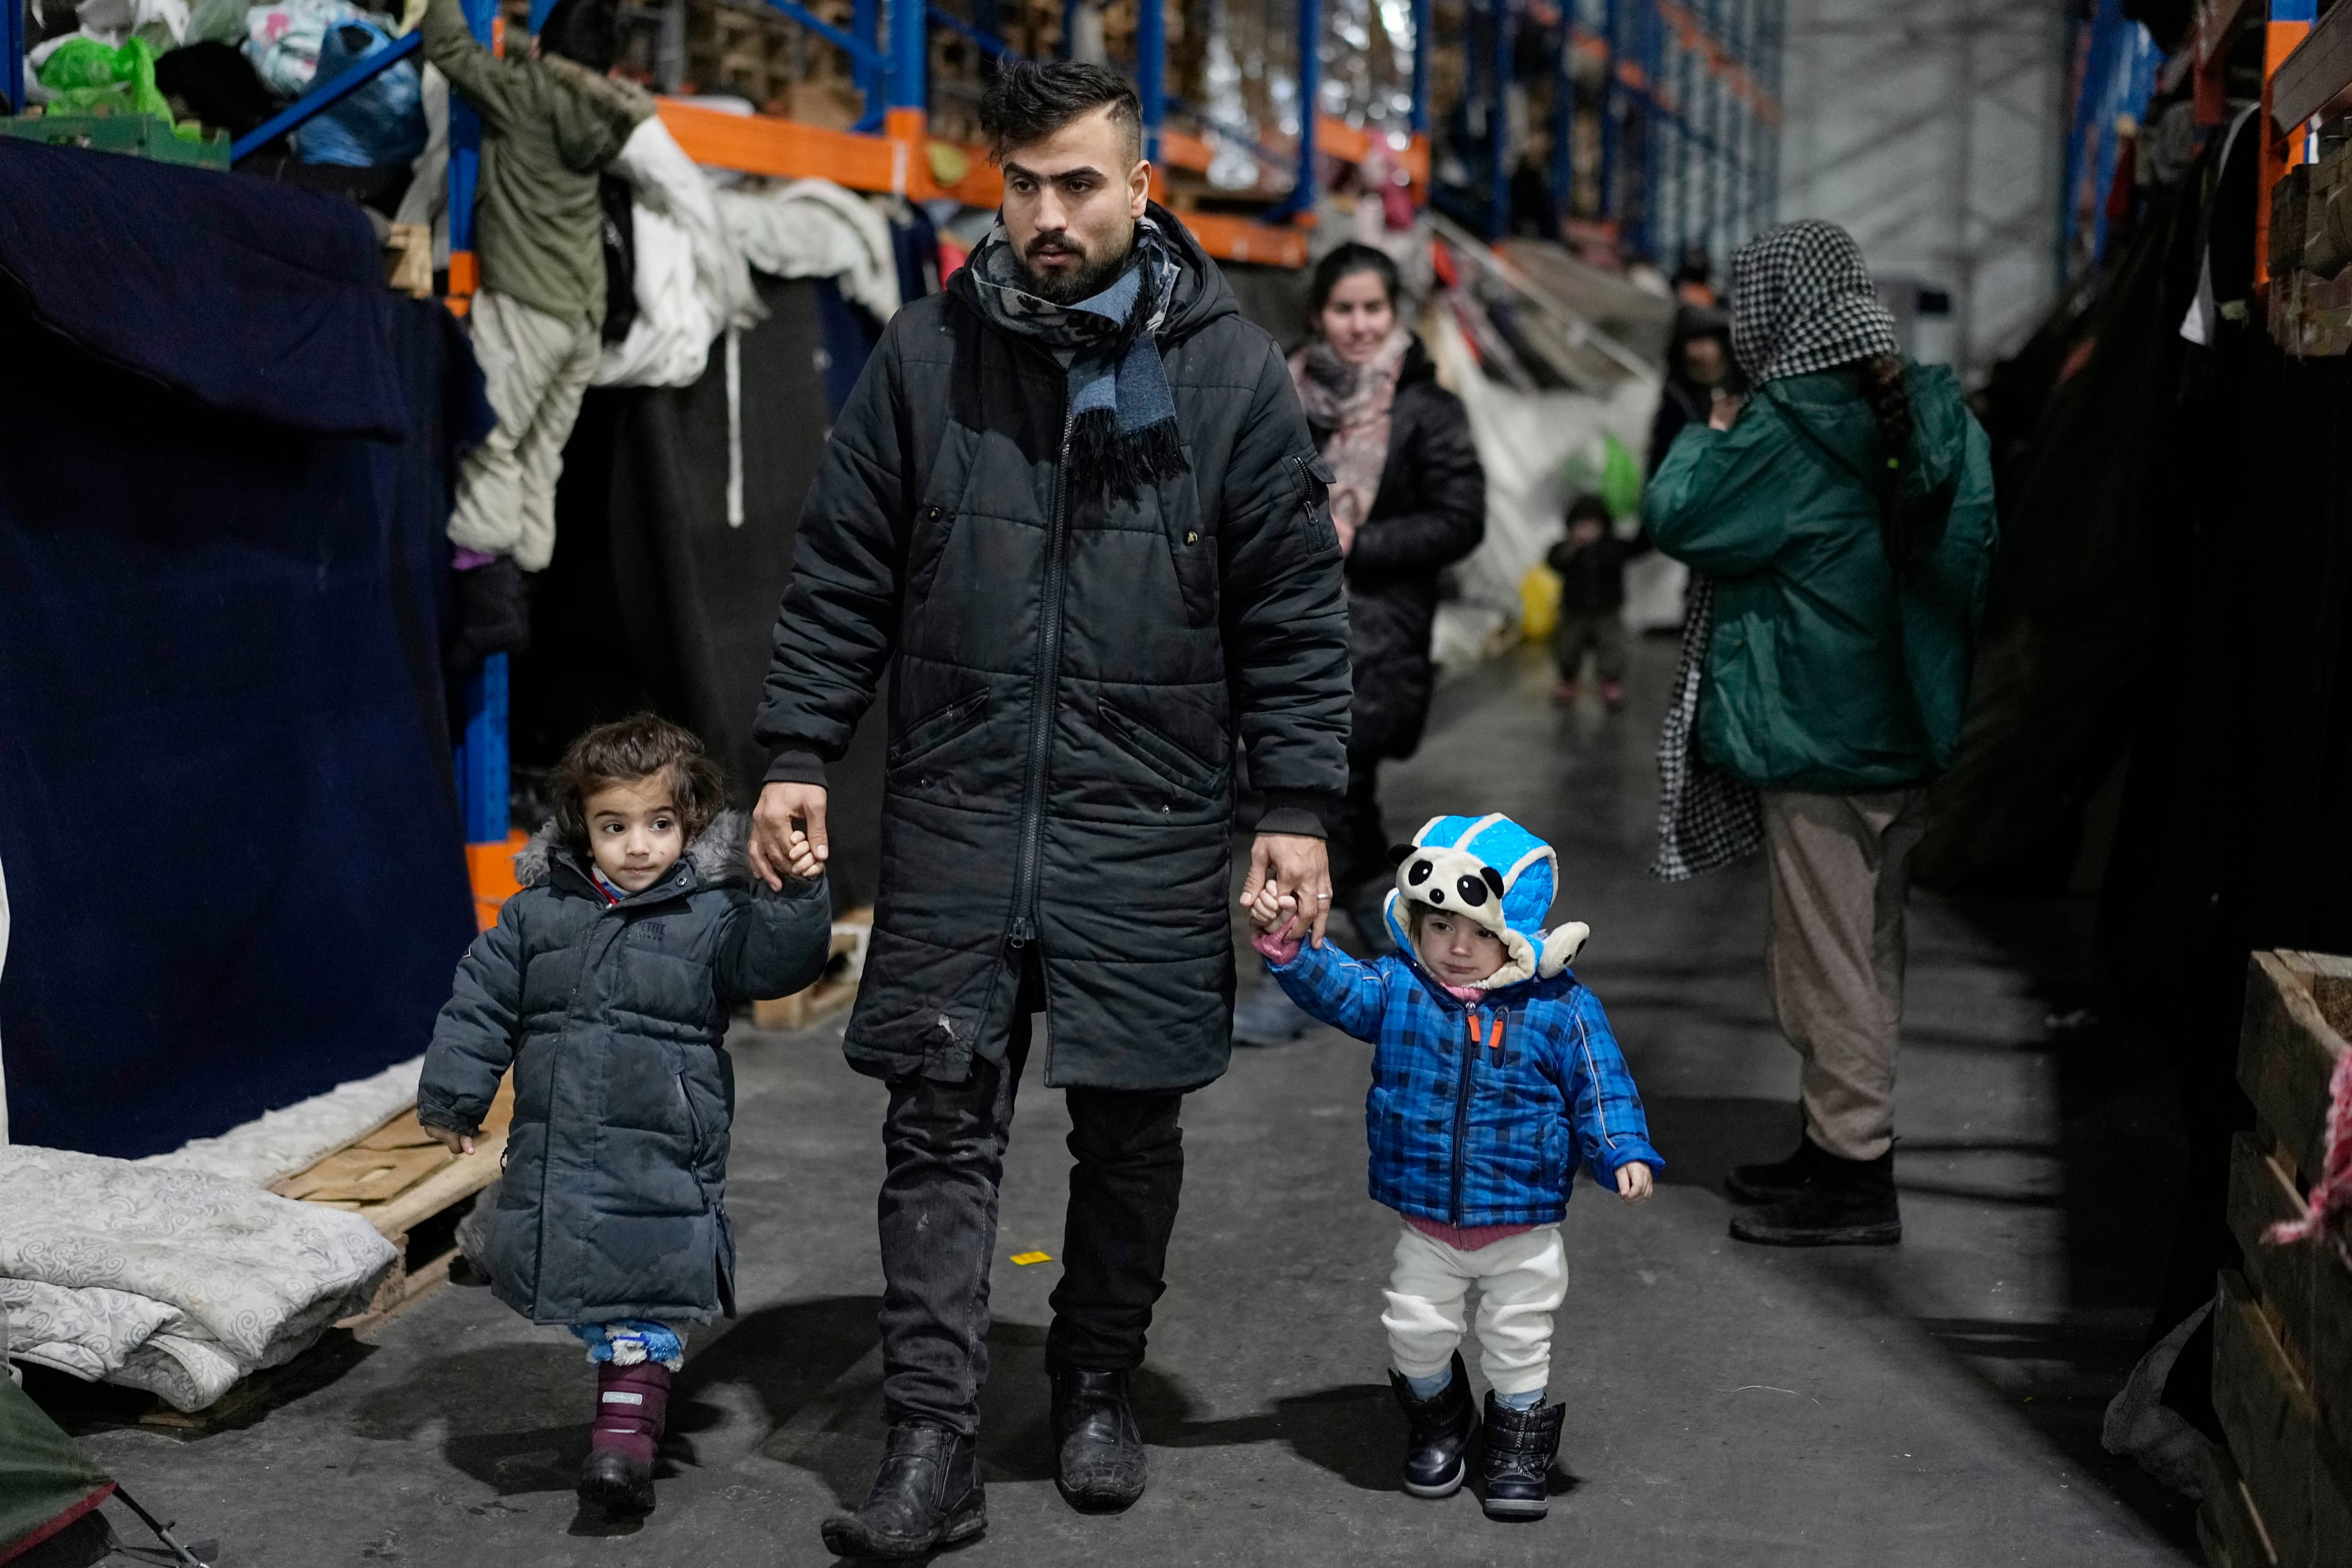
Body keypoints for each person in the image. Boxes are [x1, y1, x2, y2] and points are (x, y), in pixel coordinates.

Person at [745, 61, 1351, 1558]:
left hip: (1144, 814)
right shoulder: (925, 358)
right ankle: (930, 1440)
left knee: (1130, 1126)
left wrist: (1293, 803)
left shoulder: (1226, 376)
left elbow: (1289, 611)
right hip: (957, 810)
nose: (1047, 214)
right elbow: (838, 575)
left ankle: (1093, 1380)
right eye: (1021, 184)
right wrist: (795, 750)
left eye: (1078, 181)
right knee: (937, 1124)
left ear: (1143, 190)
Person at [1646, 219, 1996, 1248]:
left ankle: (1853, 1176)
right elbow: (1974, 557)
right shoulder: (1940, 414)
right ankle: (1839, 1141)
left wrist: (1714, 423)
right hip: (1906, 734)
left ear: (1773, 311)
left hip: (1815, 736)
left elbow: (1681, 517)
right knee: (1869, 948)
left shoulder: (1784, 424)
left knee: (1825, 962)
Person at [414, 714, 834, 1515]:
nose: (638, 845)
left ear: (691, 824)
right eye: (615, 826)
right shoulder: (538, 916)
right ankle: (496, 1242)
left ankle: (623, 1451)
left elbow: (777, 965)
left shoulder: (711, 915)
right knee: (576, 1272)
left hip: (662, 1149)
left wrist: (796, 892)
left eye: (660, 824)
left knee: (642, 1304)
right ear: (582, 825)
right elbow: (480, 1005)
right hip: (562, 1140)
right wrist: (453, 1097)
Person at [1244, 813, 1660, 1521]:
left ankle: (1516, 1442)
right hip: (1427, 1215)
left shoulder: (1560, 1007)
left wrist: (1622, 1147)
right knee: (1415, 1330)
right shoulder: (1401, 988)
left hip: (1520, 1221)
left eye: (1477, 930)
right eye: (1439, 926)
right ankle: (1440, 1419)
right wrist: (1290, 947)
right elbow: (1340, 985)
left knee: (1519, 1337)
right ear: (1413, 921)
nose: (1456, 947)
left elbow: (1602, 1081)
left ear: (1514, 932)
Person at [1286, 241, 1485, 952]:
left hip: (1377, 634)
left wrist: (1356, 543)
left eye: (1373, 308)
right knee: (1321, 793)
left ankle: (1332, 945)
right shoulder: (1283, 391)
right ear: (1318, 315)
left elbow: (1462, 518)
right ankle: (1384, 930)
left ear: (1395, 313)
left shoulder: (1425, 408)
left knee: (1324, 790)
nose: (1360, 324)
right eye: (1344, 309)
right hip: (1286, 623)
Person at [423, 0, 651, 586]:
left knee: (491, 440)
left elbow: (448, 47)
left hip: (530, 302)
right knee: (540, 456)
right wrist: (533, 47)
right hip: (583, 314)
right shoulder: (603, 113)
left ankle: (486, 595)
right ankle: (525, 581)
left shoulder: (525, 94)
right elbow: (551, 62)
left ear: (550, 50)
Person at [1545, 493, 1647, 709]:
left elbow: (1640, 547)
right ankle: (1568, 680)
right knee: (1567, 647)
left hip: (1607, 609)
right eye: (1581, 524)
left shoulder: (1613, 547)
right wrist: (1573, 546)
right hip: (1574, 609)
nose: (1587, 529)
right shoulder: (1567, 549)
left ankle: (1611, 682)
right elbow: (1553, 561)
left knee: (1611, 647)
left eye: (1593, 524)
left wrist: (1649, 518)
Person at [1647, 303, 1733, 477]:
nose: (1696, 351)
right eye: (1692, 342)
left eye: (1703, 341)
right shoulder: (1676, 396)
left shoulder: (1735, 384)